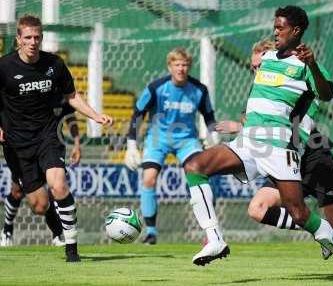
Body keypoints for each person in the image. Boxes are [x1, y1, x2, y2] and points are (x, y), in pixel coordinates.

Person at [184, 5, 333, 282]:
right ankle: (215, 238)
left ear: (296, 31)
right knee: (195, 165)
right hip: (248, 142)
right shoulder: (267, 57)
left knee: (300, 213)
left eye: (280, 27)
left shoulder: (305, 64)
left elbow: (326, 93)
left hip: (278, 146)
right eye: (275, 26)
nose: (275, 31)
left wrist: (313, 64)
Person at [219, 38, 333, 279]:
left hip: (314, 155)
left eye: (259, 65)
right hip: (285, 157)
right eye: (253, 67)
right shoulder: (264, 90)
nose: (256, 71)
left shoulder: (298, 77)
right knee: (257, 208)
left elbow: (301, 116)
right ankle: (322, 235)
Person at [0, 14, 113, 262]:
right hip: (17, 145)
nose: (32, 42)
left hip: (48, 136)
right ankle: (15, 228)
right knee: (39, 205)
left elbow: (72, 96)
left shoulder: (55, 65)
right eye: (27, 37)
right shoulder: (4, 67)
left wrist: (95, 115)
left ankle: (71, 247)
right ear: (18, 39)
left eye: (37, 37)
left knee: (59, 185)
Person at [124, 48, 218, 245]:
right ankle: (151, 233)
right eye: (177, 65)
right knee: (148, 179)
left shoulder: (199, 89)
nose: (181, 69)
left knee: (200, 180)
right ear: (170, 66)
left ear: (189, 67)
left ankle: (210, 233)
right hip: (158, 138)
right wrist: (131, 145)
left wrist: (213, 136)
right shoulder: (156, 87)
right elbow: (138, 114)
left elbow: (209, 116)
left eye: (184, 65)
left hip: (187, 140)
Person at [0, 98, 81, 247]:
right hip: (22, 147)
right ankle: (7, 230)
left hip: (49, 146)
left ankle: (58, 234)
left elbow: (70, 116)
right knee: (18, 191)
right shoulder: (17, 84)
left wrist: (77, 143)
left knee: (56, 188)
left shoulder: (57, 87)